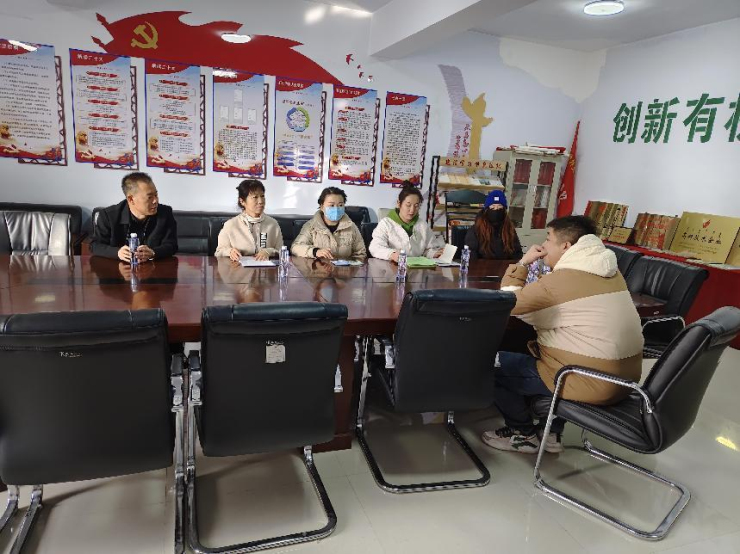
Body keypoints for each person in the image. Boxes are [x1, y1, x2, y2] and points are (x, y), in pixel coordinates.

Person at [481, 215, 644, 454]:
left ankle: (522, 434)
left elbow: (508, 303)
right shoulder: (612, 273)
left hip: (587, 381)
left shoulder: (560, 282)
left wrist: (523, 263)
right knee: (552, 348)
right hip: (625, 381)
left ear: (566, 246)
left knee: (488, 363)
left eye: (548, 239)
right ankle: (551, 433)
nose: (543, 245)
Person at [91, 172, 177, 261]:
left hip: (153, 267)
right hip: (118, 267)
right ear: (131, 199)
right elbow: (95, 245)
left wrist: (153, 252)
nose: (156, 201)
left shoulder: (165, 213)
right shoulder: (108, 216)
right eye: (149, 197)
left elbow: (172, 245)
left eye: (156, 195)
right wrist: (117, 252)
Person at [370, 182, 443, 261]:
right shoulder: (386, 224)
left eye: (416, 206)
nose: (412, 210)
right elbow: (375, 247)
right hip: (392, 266)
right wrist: (391, 254)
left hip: (417, 267)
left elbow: (428, 250)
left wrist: (434, 253)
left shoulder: (423, 225)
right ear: (399, 203)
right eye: (408, 205)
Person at [215, 180, 284, 261]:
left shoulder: (273, 224)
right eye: (255, 197)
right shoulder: (231, 225)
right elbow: (219, 252)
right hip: (238, 267)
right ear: (242, 201)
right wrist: (229, 252)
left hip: (266, 267)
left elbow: (281, 250)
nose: (260, 201)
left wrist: (269, 251)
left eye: (262, 196)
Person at [291, 187, 366, 260]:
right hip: (318, 267)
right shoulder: (311, 226)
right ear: (322, 206)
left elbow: (361, 253)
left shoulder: (351, 227)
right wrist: (315, 252)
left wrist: (351, 265)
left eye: (340, 205)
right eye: (331, 205)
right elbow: (295, 248)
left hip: (344, 268)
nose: (336, 209)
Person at [464, 190, 522, 260]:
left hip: (505, 266)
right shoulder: (475, 230)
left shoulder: (509, 228)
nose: (496, 211)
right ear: (486, 210)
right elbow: (471, 256)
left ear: (504, 211)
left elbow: (517, 254)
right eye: (492, 208)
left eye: (500, 208)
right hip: (482, 266)